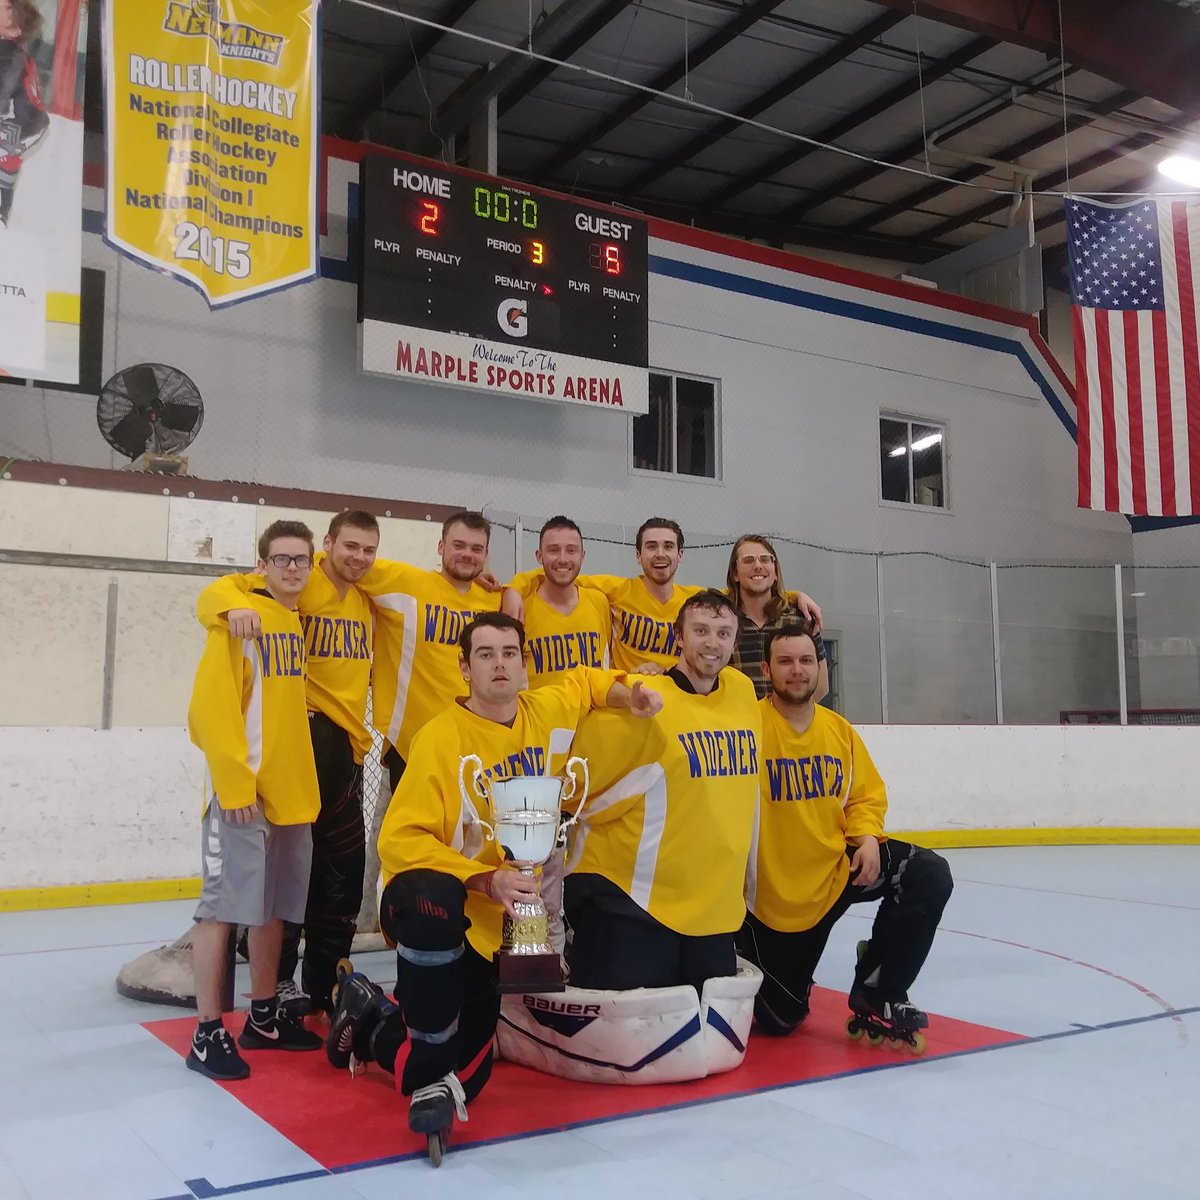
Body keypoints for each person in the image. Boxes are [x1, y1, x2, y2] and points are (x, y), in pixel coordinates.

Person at [321, 612, 660, 1144]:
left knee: (469, 1077)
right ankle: (429, 1055)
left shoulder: (546, 709)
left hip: (502, 922)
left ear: (524, 664)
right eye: (485, 654)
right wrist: (482, 880)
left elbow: (587, 682)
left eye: (509, 653)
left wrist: (630, 693)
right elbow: (399, 840)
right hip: (434, 906)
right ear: (464, 667)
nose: (499, 663)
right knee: (430, 895)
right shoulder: (441, 737)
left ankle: (368, 1018)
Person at [197, 511, 380, 1015]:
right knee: (264, 892)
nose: (359, 557)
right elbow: (222, 590)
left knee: (329, 880)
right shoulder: (280, 593)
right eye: (349, 547)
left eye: (369, 549)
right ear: (327, 546)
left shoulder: (363, 601)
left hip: (340, 753)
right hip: (287, 751)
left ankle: (319, 992)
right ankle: (258, 995)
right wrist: (228, 607)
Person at [737, 624, 954, 1049]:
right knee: (782, 1020)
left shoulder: (839, 731)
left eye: (805, 661)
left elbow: (864, 795)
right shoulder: (746, 730)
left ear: (819, 668)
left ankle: (879, 985)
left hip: (838, 874)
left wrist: (868, 837)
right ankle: (751, 960)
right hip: (771, 901)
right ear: (766, 669)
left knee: (927, 873)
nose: (797, 671)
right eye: (785, 661)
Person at [564, 589, 762, 992]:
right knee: (633, 1030)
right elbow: (579, 792)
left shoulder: (742, 692)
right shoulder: (644, 697)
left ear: (735, 642)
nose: (712, 642)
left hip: (715, 910)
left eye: (724, 633)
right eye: (701, 630)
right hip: (634, 903)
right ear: (678, 638)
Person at [185, 520, 324, 1081]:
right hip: (244, 797)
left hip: (290, 798)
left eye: (301, 560)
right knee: (221, 910)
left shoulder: (291, 621)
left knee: (273, 912)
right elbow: (210, 715)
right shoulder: (236, 620)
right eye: (281, 559)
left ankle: (262, 1017)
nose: (292, 569)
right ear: (261, 565)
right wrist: (236, 786)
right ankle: (206, 1032)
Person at [509, 517, 822, 675]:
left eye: (668, 546)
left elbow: (745, 592)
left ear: (681, 555)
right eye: (651, 546)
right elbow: (559, 573)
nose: (660, 554)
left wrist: (793, 595)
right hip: (629, 701)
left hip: (680, 699)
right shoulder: (615, 591)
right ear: (638, 555)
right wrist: (513, 590)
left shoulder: (695, 599)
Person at [355, 510, 502, 793]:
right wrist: (246, 587)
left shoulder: (496, 600)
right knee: (412, 834)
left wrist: (515, 591)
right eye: (458, 545)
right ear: (440, 546)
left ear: (486, 555)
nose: (467, 554)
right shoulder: (406, 583)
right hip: (414, 742)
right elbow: (337, 560)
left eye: (476, 549)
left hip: (475, 745)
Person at [726, 533, 829, 701]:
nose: (758, 566)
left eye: (765, 559)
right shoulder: (723, 621)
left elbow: (821, 686)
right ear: (735, 574)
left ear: (775, 573)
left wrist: (790, 715)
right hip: (739, 723)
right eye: (748, 560)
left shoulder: (801, 617)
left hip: (787, 723)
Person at [515, 515, 610, 686]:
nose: (563, 559)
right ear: (539, 556)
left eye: (571, 550)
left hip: (593, 712)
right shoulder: (520, 607)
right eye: (553, 550)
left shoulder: (600, 602)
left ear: (582, 556)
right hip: (540, 711)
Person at [0, 0, 48, 228]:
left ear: (14, 29)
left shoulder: (8, 53)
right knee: (8, 165)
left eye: (7, 9)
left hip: (18, 129)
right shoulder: (14, 54)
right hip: (19, 132)